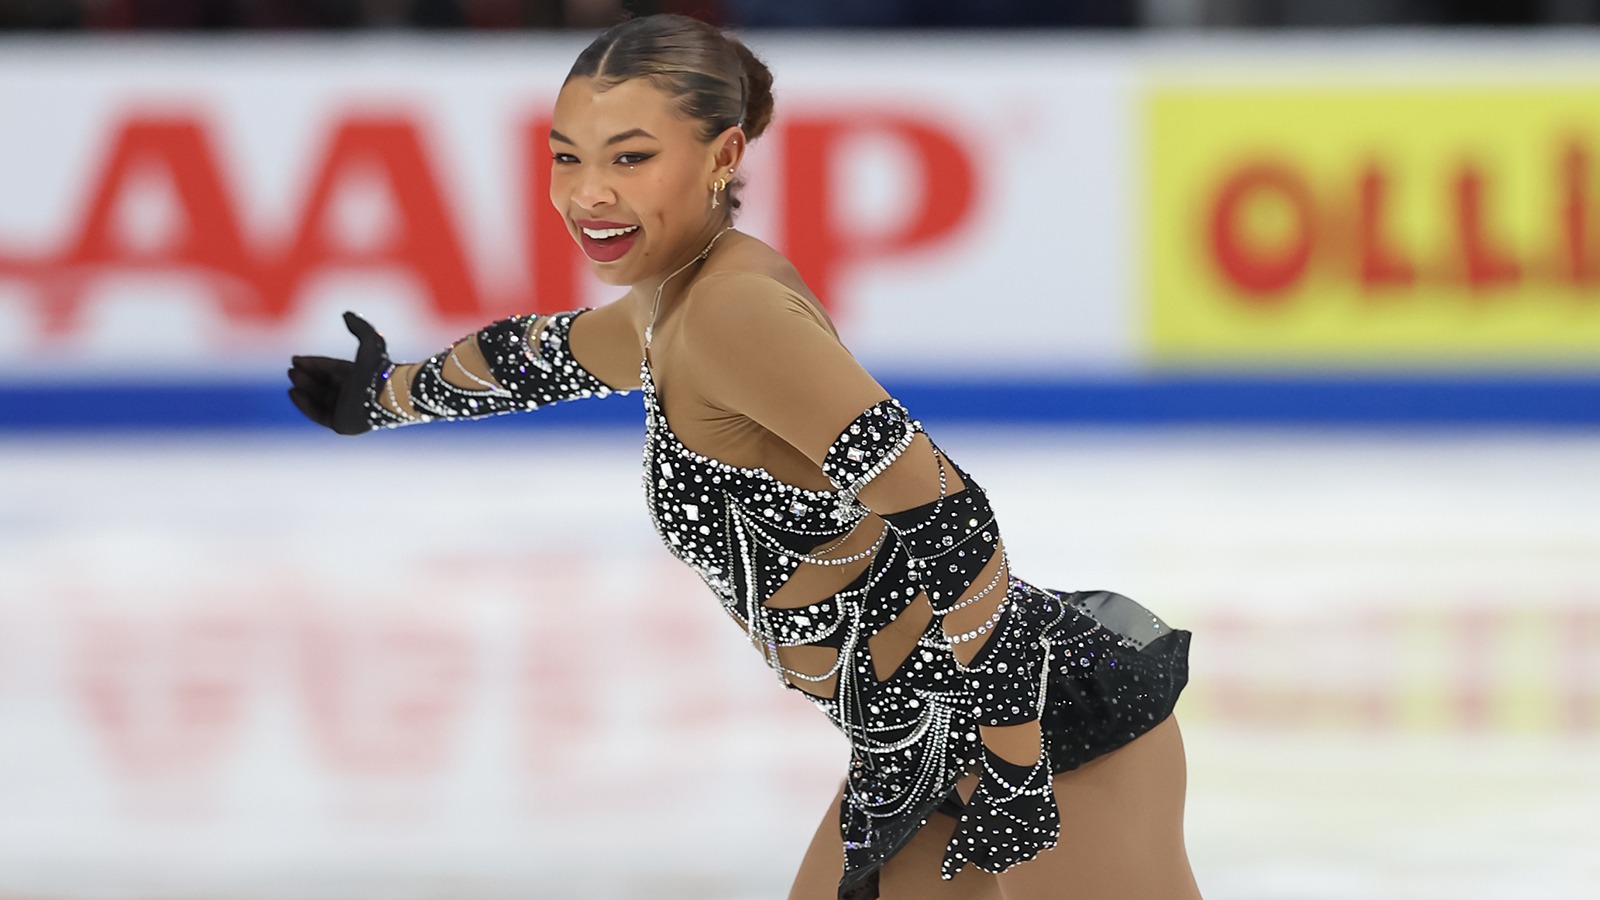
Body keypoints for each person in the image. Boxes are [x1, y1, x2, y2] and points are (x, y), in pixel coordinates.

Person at [286, 14, 1199, 900]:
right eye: (568, 157)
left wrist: (1011, 763)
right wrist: (384, 396)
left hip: (1045, 737)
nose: (588, 193)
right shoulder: (669, 307)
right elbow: (542, 355)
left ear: (723, 156)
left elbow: (947, 511)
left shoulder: (731, 312)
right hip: (915, 748)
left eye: (630, 157)